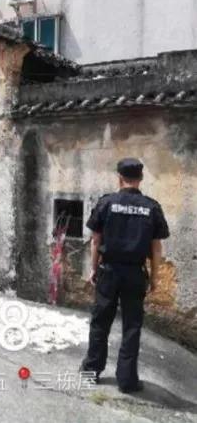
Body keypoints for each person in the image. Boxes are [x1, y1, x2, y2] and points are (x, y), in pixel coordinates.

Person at [80, 157, 170, 393]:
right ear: (141, 178)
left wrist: (93, 268)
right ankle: (127, 381)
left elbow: (96, 240)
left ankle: (91, 371)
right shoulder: (152, 207)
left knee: (100, 322)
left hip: (109, 271)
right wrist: (155, 277)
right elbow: (156, 249)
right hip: (135, 274)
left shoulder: (106, 203)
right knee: (132, 326)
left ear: (119, 178)